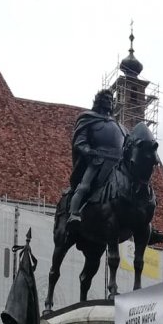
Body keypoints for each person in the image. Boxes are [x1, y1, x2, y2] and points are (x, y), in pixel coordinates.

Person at [68, 89, 126, 225]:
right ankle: (73, 214)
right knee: (84, 186)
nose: (109, 102)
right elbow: (80, 141)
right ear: (99, 101)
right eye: (106, 98)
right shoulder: (88, 118)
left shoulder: (119, 126)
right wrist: (88, 150)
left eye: (111, 99)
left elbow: (128, 144)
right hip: (97, 159)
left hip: (117, 163)